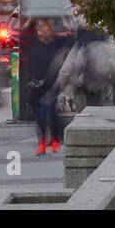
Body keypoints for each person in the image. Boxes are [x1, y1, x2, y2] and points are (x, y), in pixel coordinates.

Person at [23, 18, 69, 155]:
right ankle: (44, 141)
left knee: (48, 113)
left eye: (43, 27)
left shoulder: (55, 42)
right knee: (39, 116)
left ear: (51, 28)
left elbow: (72, 35)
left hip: (51, 85)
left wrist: (64, 19)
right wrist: (30, 20)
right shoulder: (33, 43)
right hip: (35, 86)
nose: (40, 30)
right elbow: (21, 35)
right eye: (38, 27)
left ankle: (51, 141)